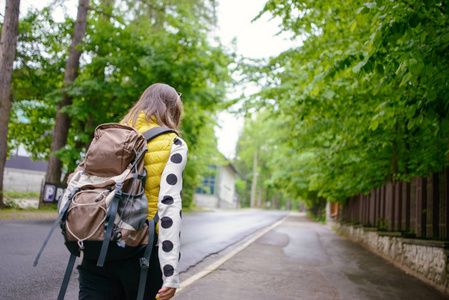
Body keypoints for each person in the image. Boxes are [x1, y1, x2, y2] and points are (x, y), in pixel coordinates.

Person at [77, 83, 187, 300]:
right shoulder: (173, 143)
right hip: (141, 252)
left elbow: (80, 183)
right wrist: (170, 272)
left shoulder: (109, 135)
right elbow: (169, 205)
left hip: (97, 245)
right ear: (173, 110)